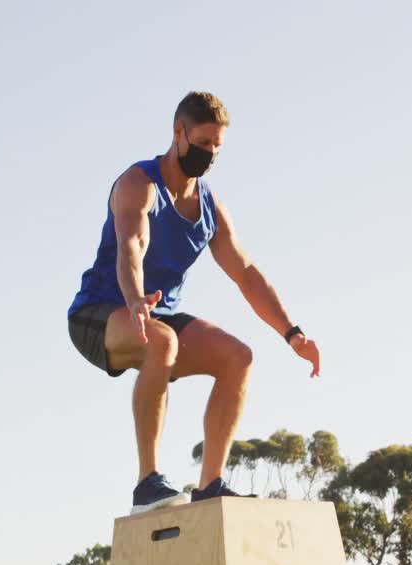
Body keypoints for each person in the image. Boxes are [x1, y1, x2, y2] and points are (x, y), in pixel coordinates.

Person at [67, 91, 321, 514]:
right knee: (162, 341)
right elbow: (131, 243)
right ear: (178, 133)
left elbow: (246, 274)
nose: (210, 155)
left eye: (217, 148)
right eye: (203, 144)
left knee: (237, 357)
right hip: (100, 312)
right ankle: (147, 485)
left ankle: (210, 484)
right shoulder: (139, 184)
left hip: (157, 315)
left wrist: (293, 335)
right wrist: (134, 300)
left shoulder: (209, 209)